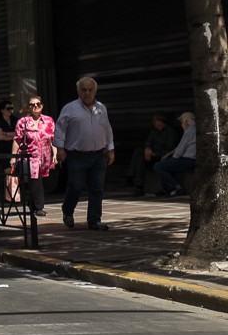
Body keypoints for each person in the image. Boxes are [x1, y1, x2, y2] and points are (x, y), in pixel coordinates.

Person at [55, 77, 115, 231]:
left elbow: (107, 129)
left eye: (90, 90)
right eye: (84, 90)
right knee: (76, 186)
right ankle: (67, 210)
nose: (87, 93)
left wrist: (110, 149)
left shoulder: (101, 108)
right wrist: (60, 149)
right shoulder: (69, 108)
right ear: (79, 91)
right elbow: (60, 128)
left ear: (95, 91)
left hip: (99, 155)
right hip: (77, 155)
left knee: (97, 188)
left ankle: (94, 220)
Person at [12, 97, 57, 216]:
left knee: (37, 181)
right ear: (29, 107)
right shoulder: (23, 122)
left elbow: (53, 139)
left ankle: (31, 204)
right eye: (32, 105)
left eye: (38, 104)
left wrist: (55, 155)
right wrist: (13, 157)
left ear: (42, 106)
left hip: (45, 156)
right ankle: (39, 206)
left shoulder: (49, 120)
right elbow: (17, 140)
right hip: (30, 156)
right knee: (36, 181)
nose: (35, 106)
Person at [127, 112, 181, 196]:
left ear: (161, 121)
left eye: (155, 120)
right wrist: (147, 149)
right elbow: (149, 142)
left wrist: (155, 154)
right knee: (139, 155)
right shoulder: (154, 132)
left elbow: (170, 148)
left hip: (162, 156)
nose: (153, 122)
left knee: (140, 156)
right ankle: (138, 186)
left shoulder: (170, 132)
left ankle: (131, 178)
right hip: (151, 156)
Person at [155, 111, 196, 197]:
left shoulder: (189, 131)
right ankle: (167, 188)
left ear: (186, 121)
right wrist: (169, 154)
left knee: (158, 166)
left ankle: (177, 187)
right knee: (167, 164)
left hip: (188, 160)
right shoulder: (194, 129)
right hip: (189, 160)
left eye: (182, 122)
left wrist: (173, 158)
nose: (181, 125)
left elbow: (181, 149)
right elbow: (180, 147)